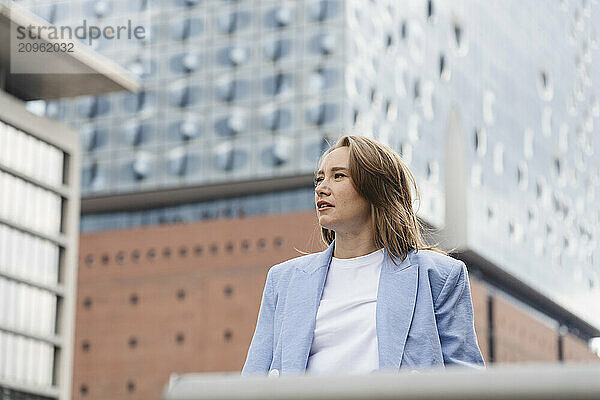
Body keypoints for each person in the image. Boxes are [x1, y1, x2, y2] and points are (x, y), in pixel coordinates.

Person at [241, 135, 484, 376]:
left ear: (375, 188)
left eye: (338, 176)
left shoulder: (439, 275)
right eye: (319, 178)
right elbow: (254, 380)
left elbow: (467, 380)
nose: (321, 188)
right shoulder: (284, 279)